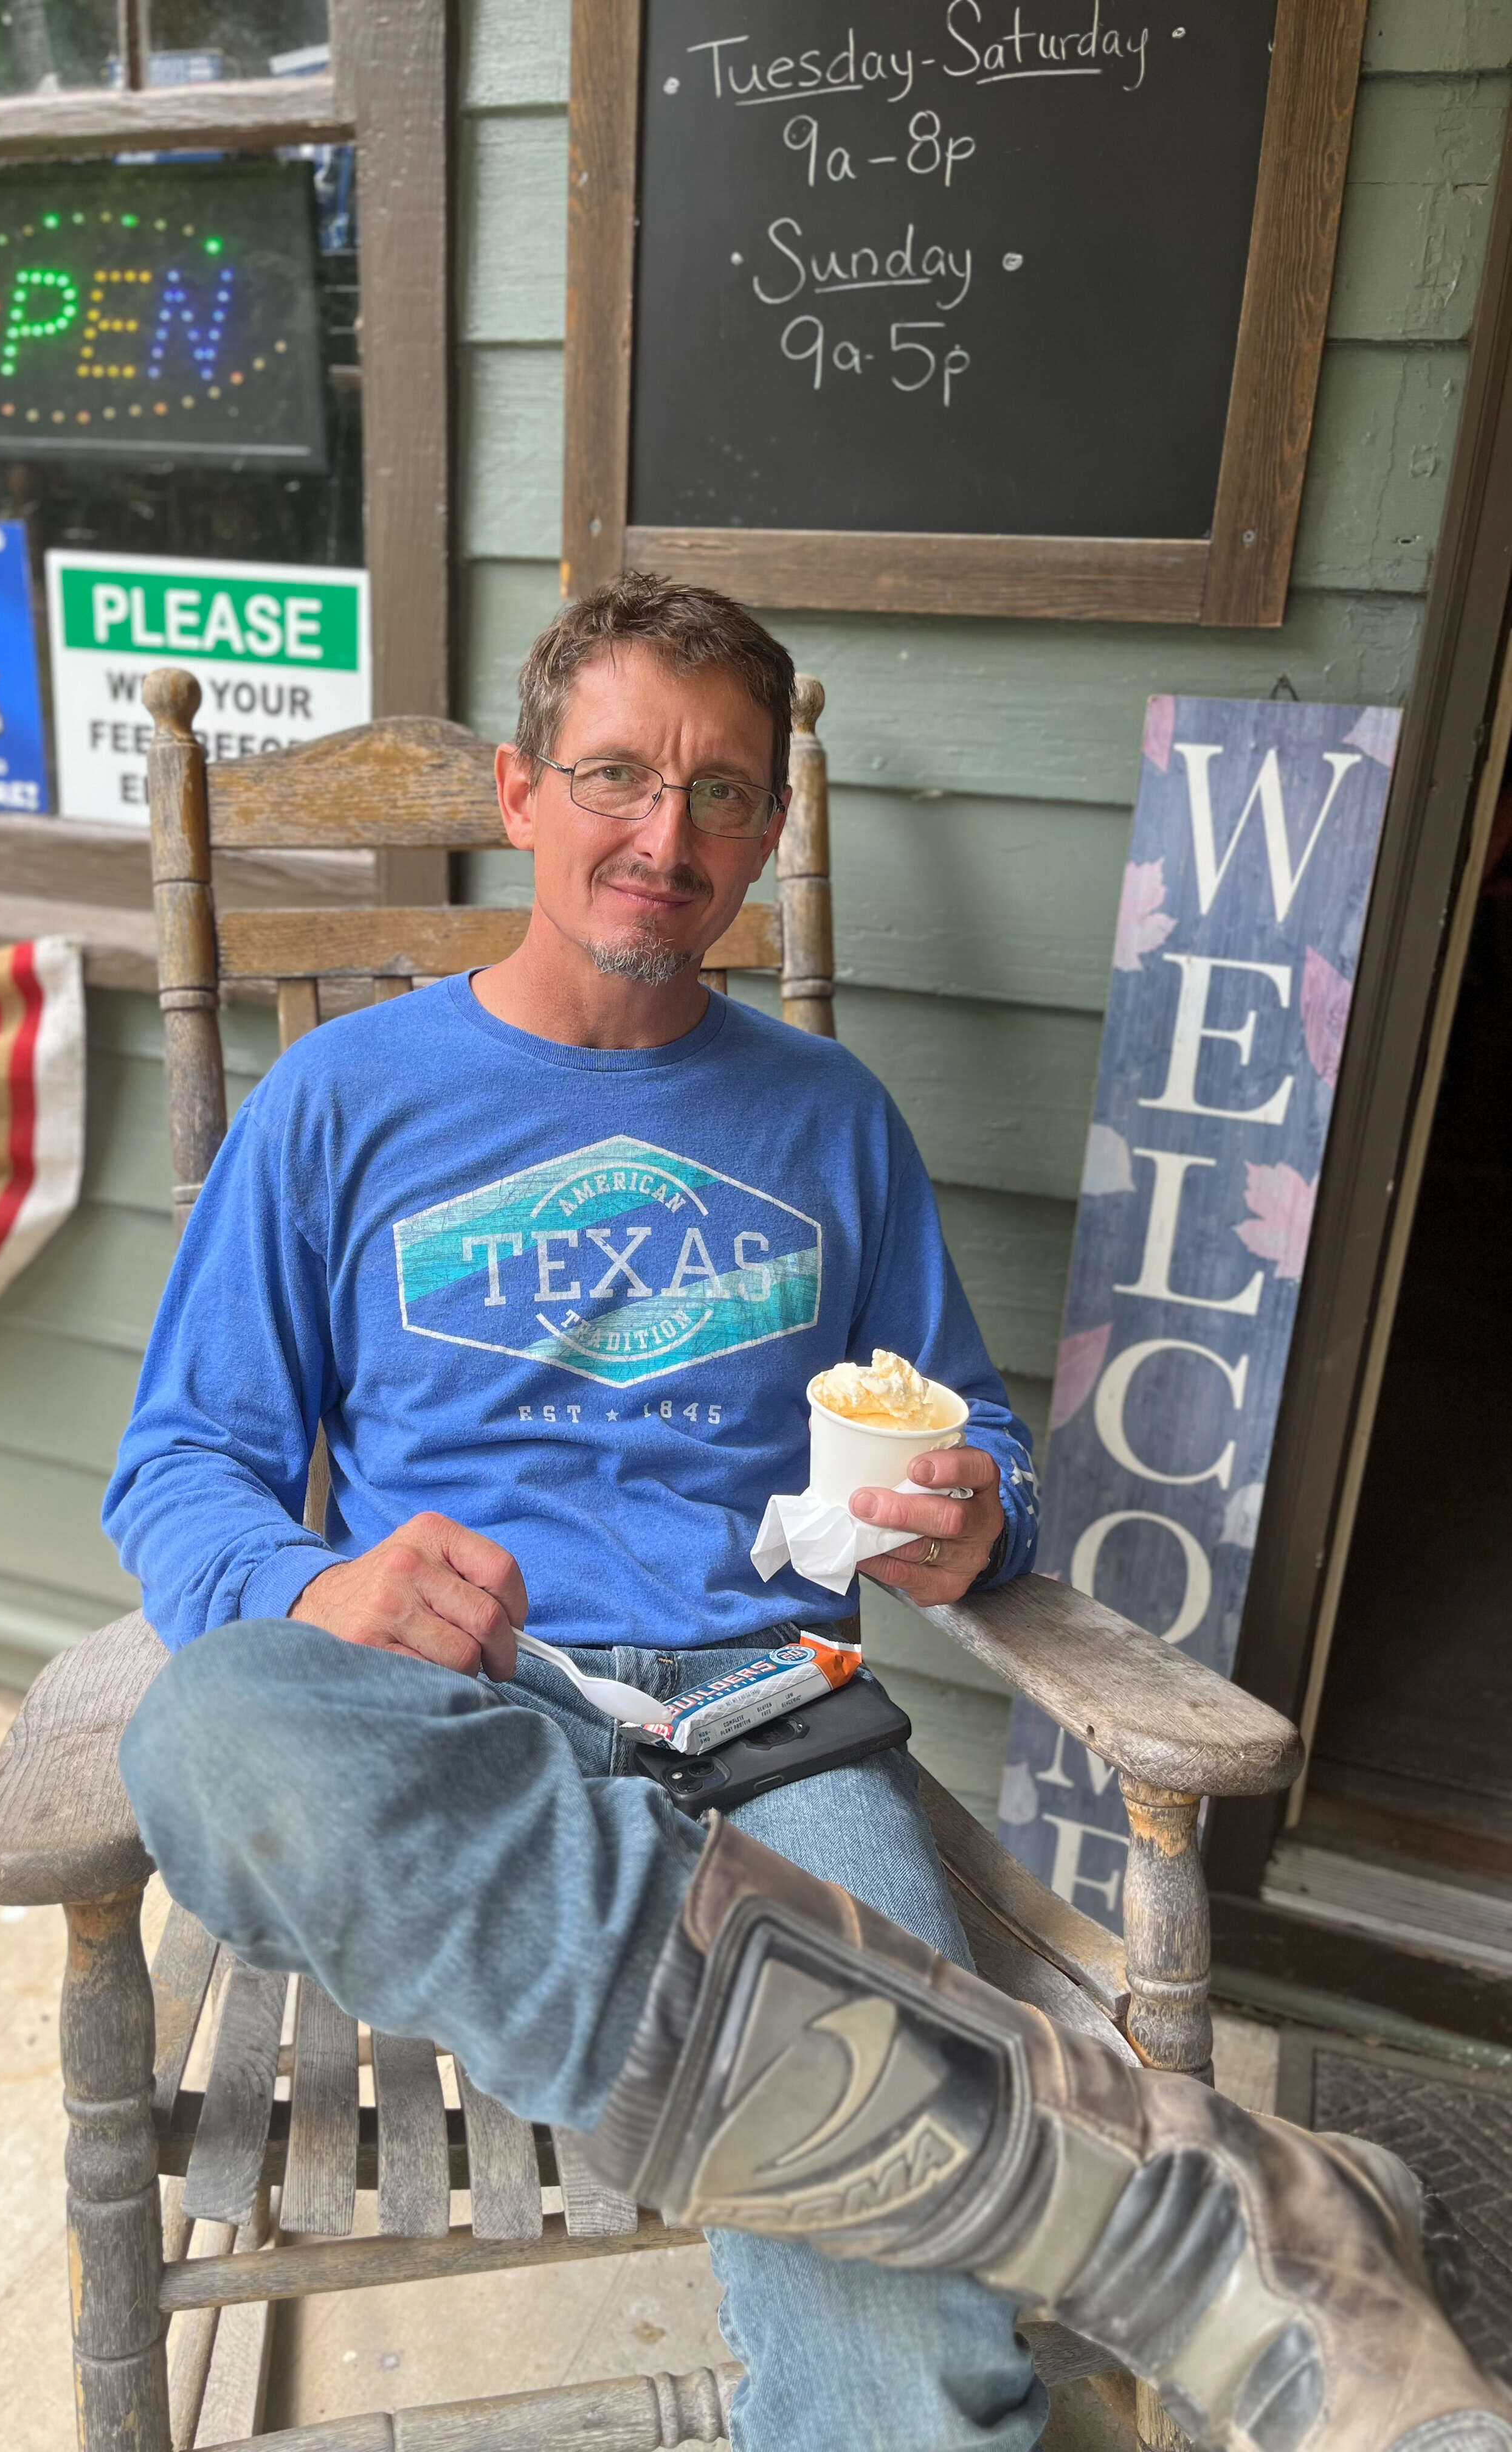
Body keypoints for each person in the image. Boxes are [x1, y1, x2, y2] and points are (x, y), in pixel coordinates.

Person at [106, 576, 1507, 2451]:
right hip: (475, 1713)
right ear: (520, 794)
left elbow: (972, 1438)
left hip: (768, 1717)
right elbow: (179, 1468)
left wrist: (970, 1520)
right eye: (615, 775)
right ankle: (1117, 2195)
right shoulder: (342, 1102)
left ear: (770, 827)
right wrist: (314, 1580)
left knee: (900, 2372)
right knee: (215, 1731)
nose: (665, 838)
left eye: (725, 796)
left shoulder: (830, 1119)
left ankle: (992, 2158)